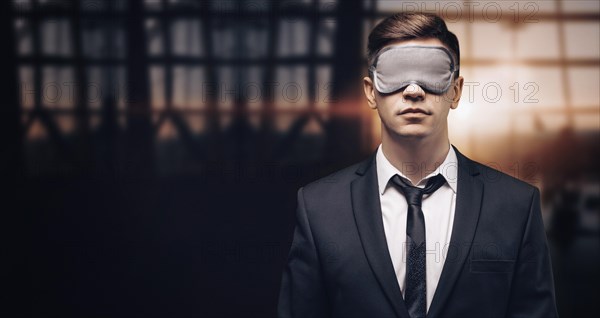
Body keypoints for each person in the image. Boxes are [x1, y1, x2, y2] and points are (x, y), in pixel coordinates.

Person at [277, 12, 558, 318]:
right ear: (371, 92)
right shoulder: (319, 208)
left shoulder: (516, 206)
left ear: (456, 90)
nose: (413, 91)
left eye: (432, 72)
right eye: (395, 73)